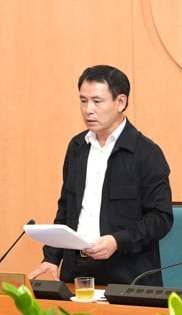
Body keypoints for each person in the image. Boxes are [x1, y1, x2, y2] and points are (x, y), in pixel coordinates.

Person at [27, 65, 174, 286]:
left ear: (121, 102)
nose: (88, 110)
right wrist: (51, 257)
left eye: (97, 101)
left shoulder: (146, 153)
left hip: (128, 276)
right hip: (77, 272)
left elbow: (161, 218)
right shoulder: (77, 147)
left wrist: (117, 241)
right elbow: (67, 210)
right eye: (83, 101)